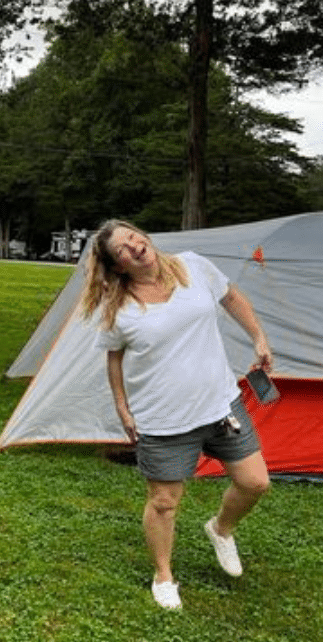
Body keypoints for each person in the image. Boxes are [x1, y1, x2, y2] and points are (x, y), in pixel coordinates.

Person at [79, 219, 273, 610]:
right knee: (164, 502)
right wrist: (121, 404)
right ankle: (164, 575)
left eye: (133, 237)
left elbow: (231, 297)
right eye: (121, 250)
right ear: (118, 267)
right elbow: (114, 356)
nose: (133, 246)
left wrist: (258, 337)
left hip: (220, 403)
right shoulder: (120, 308)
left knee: (255, 483)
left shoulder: (192, 266)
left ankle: (221, 529)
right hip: (163, 417)